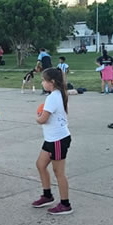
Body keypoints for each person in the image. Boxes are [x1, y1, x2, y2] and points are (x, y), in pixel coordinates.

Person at [32, 68, 72, 215]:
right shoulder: (57, 94)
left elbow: (43, 119)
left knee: (59, 172)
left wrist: (38, 117)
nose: (42, 83)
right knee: (40, 165)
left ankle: (65, 204)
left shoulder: (52, 97)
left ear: (52, 82)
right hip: (51, 139)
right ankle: (47, 195)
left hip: (58, 139)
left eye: (43, 80)